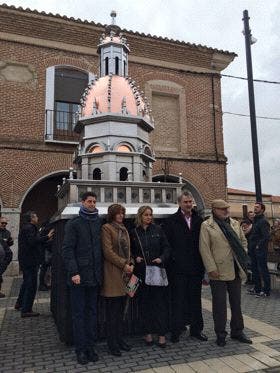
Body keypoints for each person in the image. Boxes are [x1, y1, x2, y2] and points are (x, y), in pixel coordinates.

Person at [199, 199, 252, 347]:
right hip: (218, 271)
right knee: (219, 305)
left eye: (227, 208)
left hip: (235, 268)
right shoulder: (207, 225)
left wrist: (243, 253)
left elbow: (243, 241)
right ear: (214, 210)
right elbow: (204, 248)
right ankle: (220, 334)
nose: (226, 211)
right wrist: (211, 268)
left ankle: (237, 331)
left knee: (236, 303)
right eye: (222, 209)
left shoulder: (235, 223)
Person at [62, 192, 102, 365]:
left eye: (94, 201)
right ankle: (81, 350)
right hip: (79, 277)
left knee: (92, 313)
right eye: (89, 201)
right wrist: (74, 272)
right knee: (79, 315)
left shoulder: (99, 222)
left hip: (94, 276)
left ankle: (91, 347)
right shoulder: (74, 224)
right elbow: (67, 250)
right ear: (82, 203)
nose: (92, 204)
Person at [165, 192, 207, 343]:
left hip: (196, 268)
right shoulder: (171, 221)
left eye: (190, 202)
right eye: (186, 202)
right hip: (178, 270)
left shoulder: (199, 220)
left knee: (195, 300)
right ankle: (176, 330)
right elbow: (167, 245)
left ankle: (196, 330)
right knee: (178, 300)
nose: (189, 204)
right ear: (179, 203)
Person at [130, 206, 170, 348]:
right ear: (140, 216)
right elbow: (130, 251)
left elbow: (167, 248)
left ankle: (161, 334)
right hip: (141, 273)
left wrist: (162, 258)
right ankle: (147, 333)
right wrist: (135, 257)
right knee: (144, 305)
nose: (149, 217)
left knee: (159, 304)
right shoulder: (134, 232)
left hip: (157, 272)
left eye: (150, 215)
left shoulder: (158, 230)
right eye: (146, 215)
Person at [101, 204, 134, 356]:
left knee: (122, 311)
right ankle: (112, 344)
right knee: (112, 312)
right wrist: (124, 264)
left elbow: (128, 249)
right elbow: (108, 252)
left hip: (126, 274)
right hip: (113, 274)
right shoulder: (107, 228)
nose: (121, 216)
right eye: (118, 213)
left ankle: (120, 340)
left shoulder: (124, 228)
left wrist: (131, 262)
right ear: (112, 215)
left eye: (122, 213)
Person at [15, 211, 54, 316]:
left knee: (26, 282)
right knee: (31, 284)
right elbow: (32, 241)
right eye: (36, 216)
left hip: (27, 260)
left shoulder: (27, 227)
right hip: (30, 260)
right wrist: (47, 236)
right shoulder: (29, 228)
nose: (37, 217)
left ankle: (19, 303)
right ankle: (26, 310)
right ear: (31, 218)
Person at [248, 202, 271, 297]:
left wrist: (258, 245)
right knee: (254, 269)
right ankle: (257, 289)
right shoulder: (255, 220)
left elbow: (266, 236)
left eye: (257, 207)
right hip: (253, 248)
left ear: (262, 209)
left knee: (262, 269)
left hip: (260, 250)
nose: (255, 208)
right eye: (255, 207)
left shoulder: (263, 221)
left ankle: (266, 291)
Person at [0, 216, 13, 298]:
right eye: (2, 223)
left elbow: (8, 244)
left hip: (3, 258)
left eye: (5, 223)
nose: (4, 224)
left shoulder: (7, 233)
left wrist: (10, 242)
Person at [38, 220, 53, 291]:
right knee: (45, 268)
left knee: (45, 268)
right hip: (47, 251)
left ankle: (44, 284)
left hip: (45, 251)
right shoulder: (48, 229)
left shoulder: (42, 229)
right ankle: (42, 284)